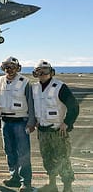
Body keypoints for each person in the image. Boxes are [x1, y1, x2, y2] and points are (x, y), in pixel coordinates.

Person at [32, 60, 79, 192]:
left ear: (51, 72)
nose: (41, 74)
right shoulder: (34, 88)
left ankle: (67, 187)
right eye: (38, 71)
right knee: (47, 158)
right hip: (42, 131)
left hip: (58, 130)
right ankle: (52, 184)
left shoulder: (59, 86)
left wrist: (67, 122)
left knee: (63, 159)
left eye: (45, 71)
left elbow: (74, 106)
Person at [0, 57, 35, 192]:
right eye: (7, 66)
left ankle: (26, 182)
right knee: (9, 151)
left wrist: (31, 122)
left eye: (12, 66)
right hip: (6, 121)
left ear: (18, 68)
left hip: (20, 121)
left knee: (23, 153)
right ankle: (14, 177)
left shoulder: (25, 82)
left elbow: (31, 103)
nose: (9, 69)